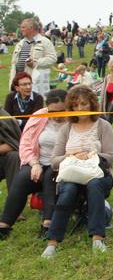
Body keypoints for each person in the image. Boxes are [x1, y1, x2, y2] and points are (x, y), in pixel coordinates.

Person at [41, 85, 113, 259]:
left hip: (97, 173)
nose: (80, 108)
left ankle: (97, 239)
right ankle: (52, 243)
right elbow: (54, 161)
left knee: (94, 185)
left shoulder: (103, 126)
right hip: (71, 174)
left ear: (92, 104)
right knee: (68, 190)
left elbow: (111, 157)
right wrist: (72, 155)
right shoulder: (66, 129)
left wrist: (92, 155)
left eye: (84, 104)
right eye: (75, 105)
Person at [0, 89, 66, 239]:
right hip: (37, 161)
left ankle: (48, 224)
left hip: (62, 163)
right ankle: (4, 224)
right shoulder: (38, 117)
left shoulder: (75, 119)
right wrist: (34, 163)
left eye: (62, 111)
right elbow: (25, 145)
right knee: (21, 179)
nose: (57, 116)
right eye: (52, 112)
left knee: (50, 177)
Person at [9, 18, 57, 97]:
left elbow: (52, 58)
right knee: (17, 103)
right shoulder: (20, 43)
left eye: (23, 27)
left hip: (35, 82)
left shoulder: (45, 42)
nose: (21, 29)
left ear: (31, 28)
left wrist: (35, 63)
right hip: (18, 82)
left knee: (34, 102)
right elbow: (14, 63)